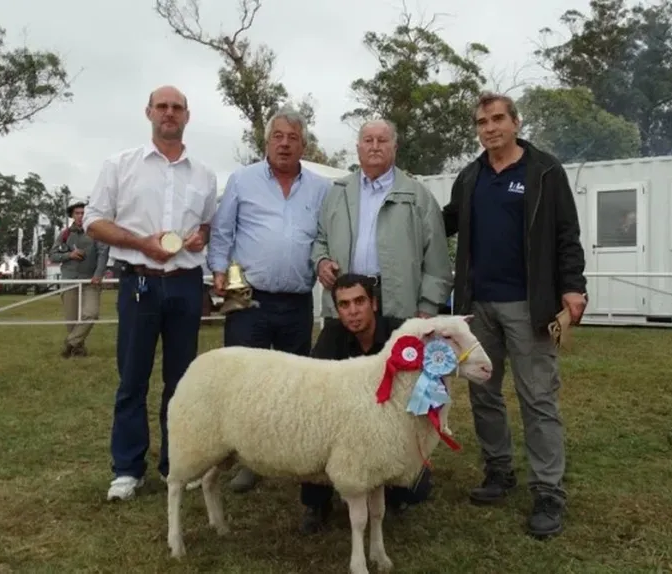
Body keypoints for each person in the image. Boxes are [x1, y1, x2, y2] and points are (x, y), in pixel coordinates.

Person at [442, 92, 587, 539]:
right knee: (484, 393)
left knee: (537, 398)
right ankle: (498, 471)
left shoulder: (545, 171)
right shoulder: (469, 177)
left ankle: (547, 491)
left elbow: (567, 232)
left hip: (531, 304)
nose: (490, 128)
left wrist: (573, 286)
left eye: (498, 119)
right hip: (476, 306)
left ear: (516, 123)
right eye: (482, 122)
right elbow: (443, 223)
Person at [84, 85, 218, 502]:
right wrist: (143, 243)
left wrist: (200, 238)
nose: (169, 113)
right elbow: (93, 221)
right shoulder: (120, 165)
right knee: (133, 379)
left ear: (187, 116)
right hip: (139, 279)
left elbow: (209, 225)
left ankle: (176, 464)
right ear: (148, 113)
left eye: (176, 107)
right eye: (162, 106)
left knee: (181, 382)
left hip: (185, 283)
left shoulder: (205, 175)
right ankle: (127, 469)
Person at [207, 106, 332, 493]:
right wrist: (216, 273)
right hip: (249, 299)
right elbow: (222, 232)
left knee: (295, 385)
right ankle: (248, 460)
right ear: (266, 141)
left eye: (293, 137)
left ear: (303, 144)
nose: (284, 143)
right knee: (247, 385)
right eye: (278, 136)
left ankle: (295, 457)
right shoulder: (242, 180)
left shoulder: (321, 188)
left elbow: (324, 238)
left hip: (297, 301)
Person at [298, 273, 433, 534]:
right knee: (312, 443)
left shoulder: (399, 336)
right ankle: (316, 504)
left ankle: (391, 495)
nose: (353, 312)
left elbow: (419, 392)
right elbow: (314, 392)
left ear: (374, 304)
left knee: (417, 491)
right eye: (344, 305)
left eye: (359, 302)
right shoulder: (331, 336)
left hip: (388, 432)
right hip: (342, 429)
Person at [311, 118, 452, 323]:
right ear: (358, 148)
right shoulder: (337, 193)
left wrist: (428, 306)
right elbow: (320, 239)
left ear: (394, 147)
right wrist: (321, 261)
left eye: (382, 140)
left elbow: (437, 260)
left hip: (399, 305)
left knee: (394, 356)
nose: (375, 147)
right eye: (369, 140)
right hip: (346, 302)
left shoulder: (418, 196)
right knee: (342, 355)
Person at [49, 200, 110, 357]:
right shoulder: (64, 234)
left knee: (91, 313)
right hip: (69, 280)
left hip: (90, 281)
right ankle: (78, 349)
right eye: (77, 213)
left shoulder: (96, 232)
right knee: (72, 320)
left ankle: (70, 343)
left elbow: (103, 254)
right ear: (72, 215)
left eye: (83, 213)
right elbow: (53, 255)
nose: (80, 216)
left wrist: (98, 275)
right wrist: (69, 255)